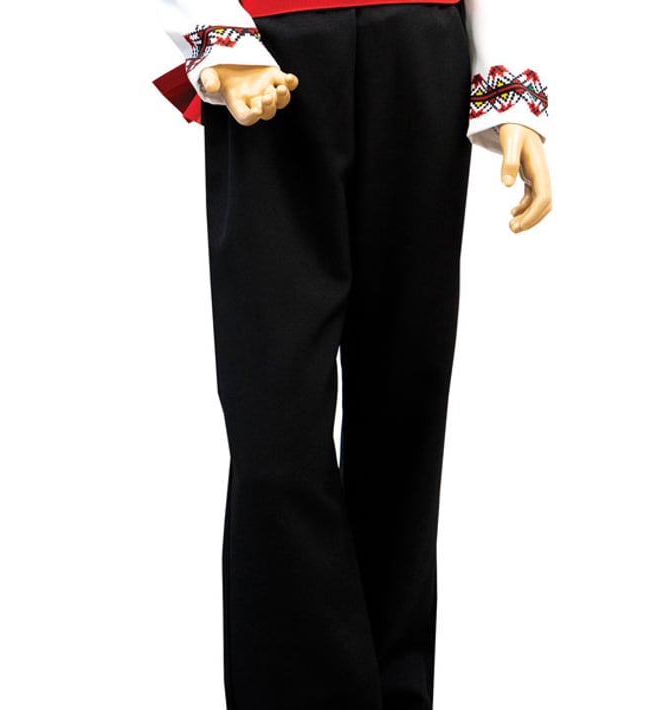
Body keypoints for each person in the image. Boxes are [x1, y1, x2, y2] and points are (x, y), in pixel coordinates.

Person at [153, 1, 551, 708]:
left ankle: (395, 691)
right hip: (274, 56)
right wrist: (220, 39)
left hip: (421, 47)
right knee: (276, 429)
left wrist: (507, 80)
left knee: (404, 411)